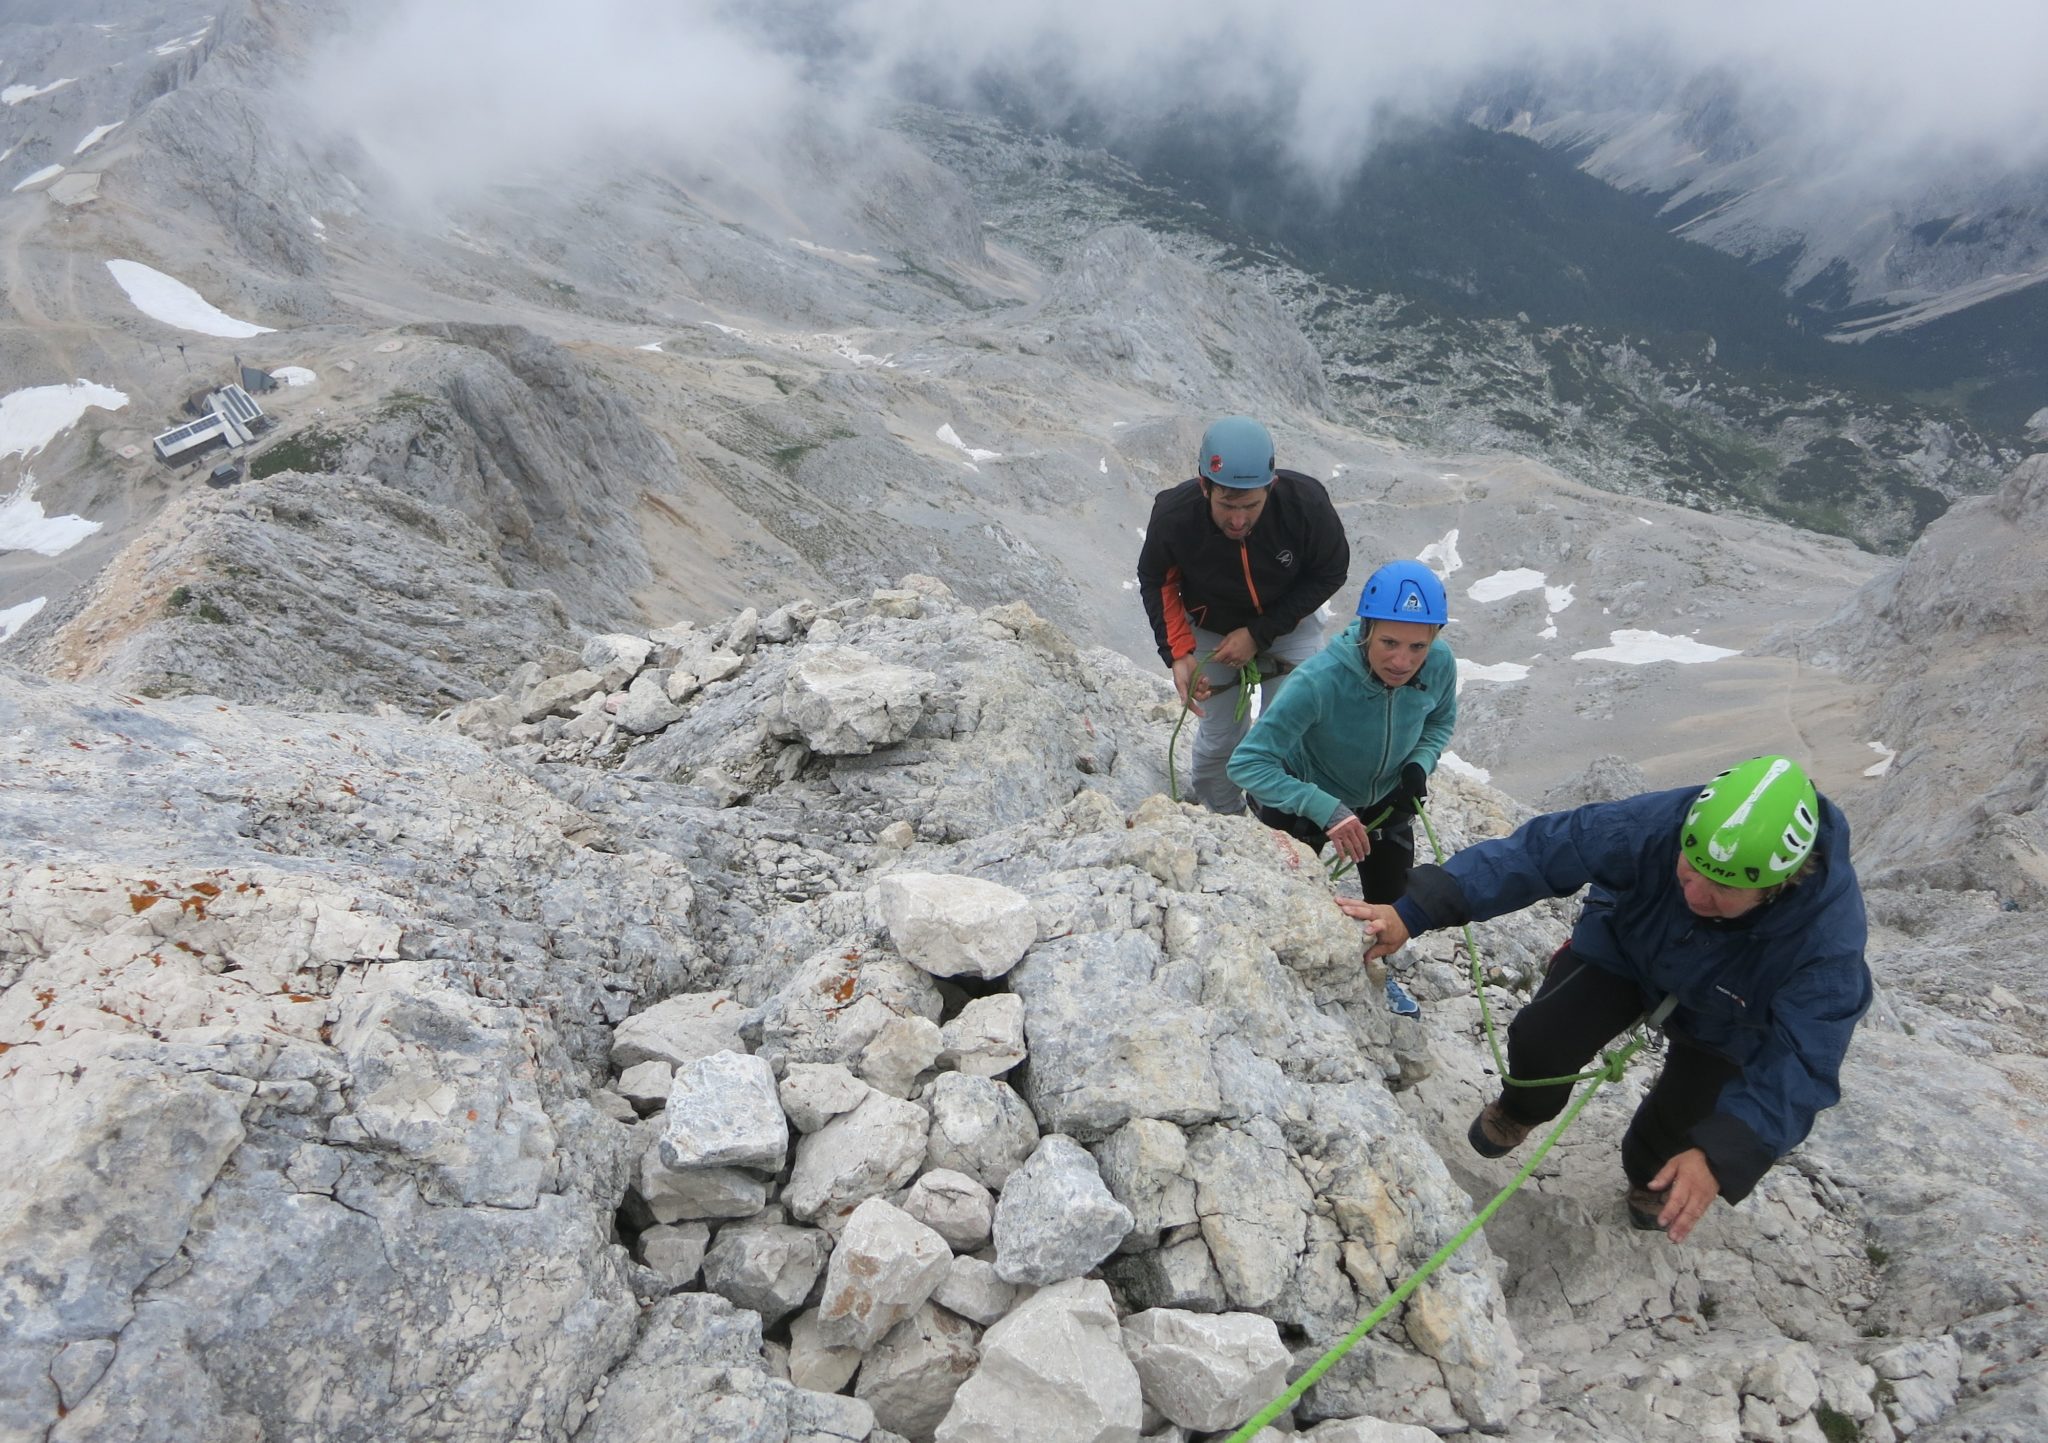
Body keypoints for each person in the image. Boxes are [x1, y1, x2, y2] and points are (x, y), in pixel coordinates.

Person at [1347, 755, 1871, 1242]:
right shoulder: (1660, 825)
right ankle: (1521, 1109)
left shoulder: (1823, 942)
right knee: (1542, 1038)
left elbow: (1804, 1058)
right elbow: (1543, 851)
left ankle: (1649, 1174)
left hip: (1734, 1012)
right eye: (1689, 871)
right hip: (1628, 946)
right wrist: (1413, 912)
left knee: (1682, 1127)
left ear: (1778, 888)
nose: (1694, 895)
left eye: (1721, 892)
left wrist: (1721, 1154)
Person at [1228, 560, 1457, 1015]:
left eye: (1418, 646)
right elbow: (1248, 762)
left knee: (1390, 903)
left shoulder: (1440, 664)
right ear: (1367, 628)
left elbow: (1440, 721)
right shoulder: (1320, 680)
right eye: (1389, 643)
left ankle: (1375, 973)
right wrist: (1323, 807)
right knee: (1290, 901)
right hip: (1301, 800)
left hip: (1386, 800)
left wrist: (1418, 764)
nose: (1402, 661)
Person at [1137, 416, 1350, 815]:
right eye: (1227, 505)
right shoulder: (1175, 517)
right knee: (1220, 736)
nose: (1238, 520)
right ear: (1205, 487)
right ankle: (1224, 818)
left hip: (1289, 623)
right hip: (1210, 629)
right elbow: (1157, 579)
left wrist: (1257, 633)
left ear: (1271, 487)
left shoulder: (1306, 505)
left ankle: (1278, 817)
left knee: (1293, 730)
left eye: (1251, 505)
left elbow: (1331, 570)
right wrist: (1179, 653)